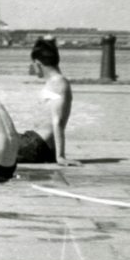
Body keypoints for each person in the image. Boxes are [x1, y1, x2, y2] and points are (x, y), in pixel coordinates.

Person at [16, 38, 81, 166]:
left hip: (37, 145)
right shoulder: (55, 82)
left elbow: (57, 121)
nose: (32, 68)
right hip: (37, 143)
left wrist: (60, 157)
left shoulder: (58, 83)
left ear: (38, 63)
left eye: (33, 64)